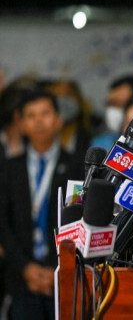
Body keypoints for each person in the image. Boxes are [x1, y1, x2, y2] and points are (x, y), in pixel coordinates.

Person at [0, 89, 84, 320]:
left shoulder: (77, 167)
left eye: (45, 113)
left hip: (63, 275)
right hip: (21, 277)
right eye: (31, 115)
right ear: (21, 123)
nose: (38, 121)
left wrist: (55, 269)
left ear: (58, 120)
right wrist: (26, 267)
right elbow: (2, 225)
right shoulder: (8, 168)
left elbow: (77, 218)